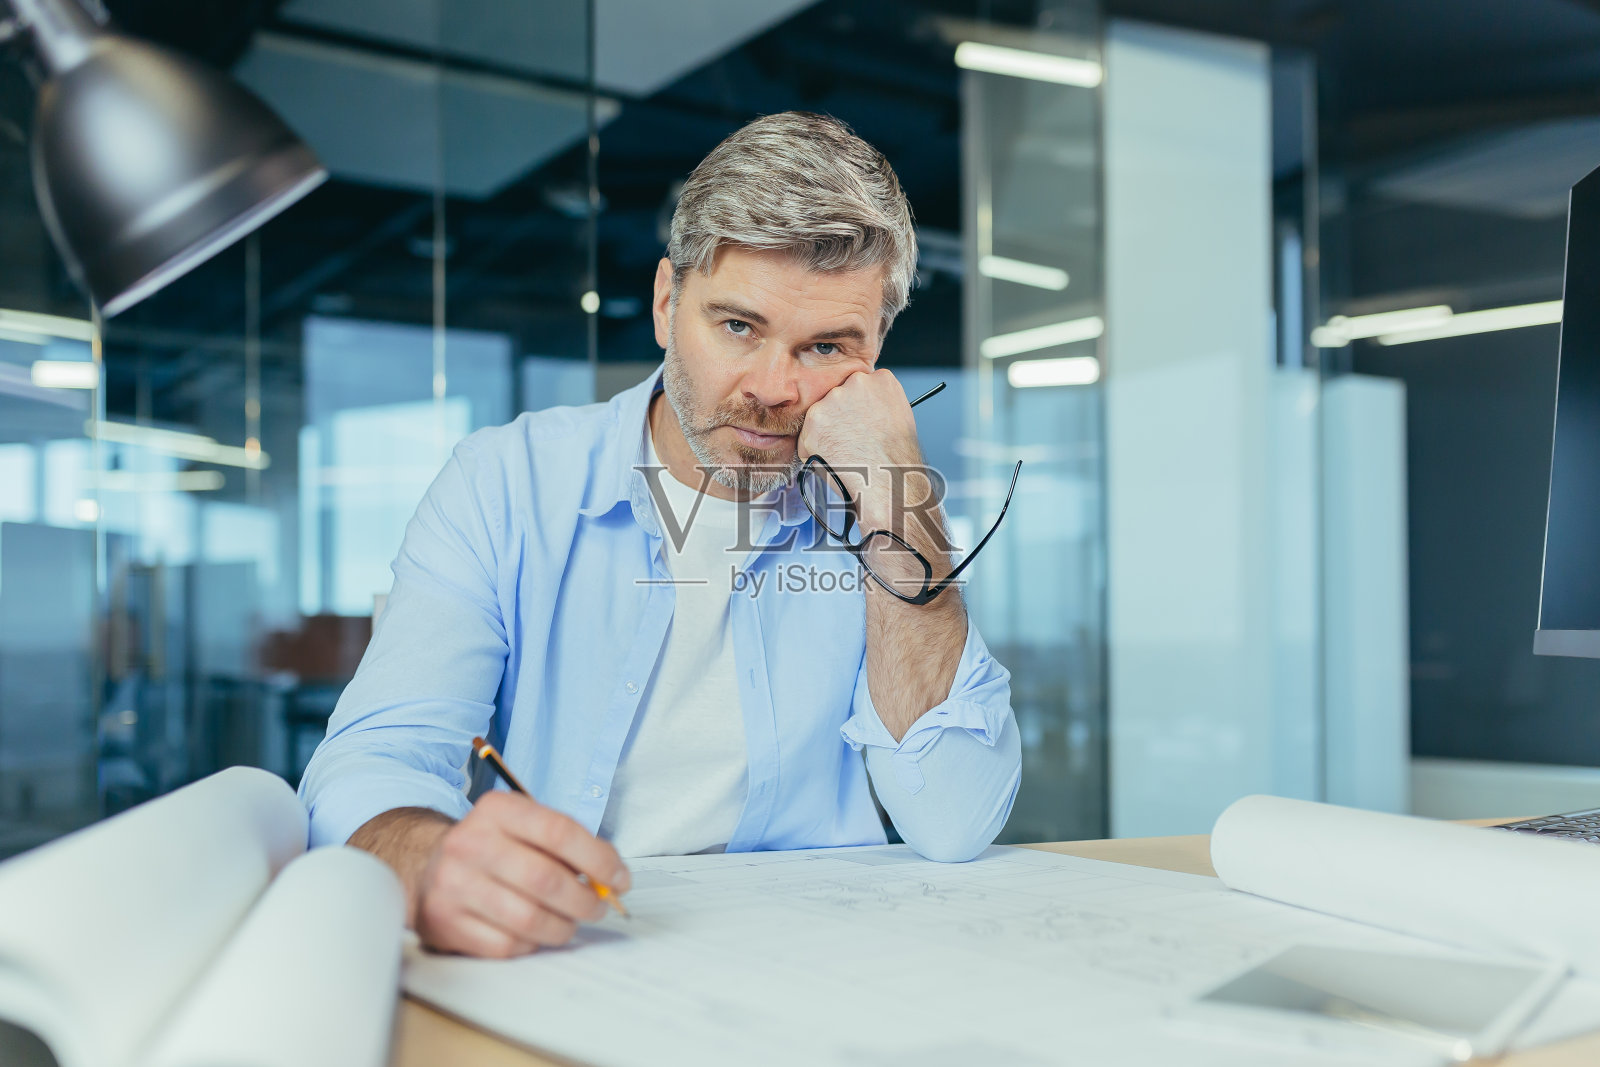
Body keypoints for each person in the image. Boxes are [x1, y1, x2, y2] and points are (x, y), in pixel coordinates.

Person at [298, 111, 1022, 959]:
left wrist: (900, 497)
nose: (773, 389)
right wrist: (432, 861)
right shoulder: (507, 484)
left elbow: (954, 816)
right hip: (568, 953)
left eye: (826, 346)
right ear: (666, 303)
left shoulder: (880, 506)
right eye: (738, 326)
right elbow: (373, 763)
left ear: (876, 353)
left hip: (817, 964)